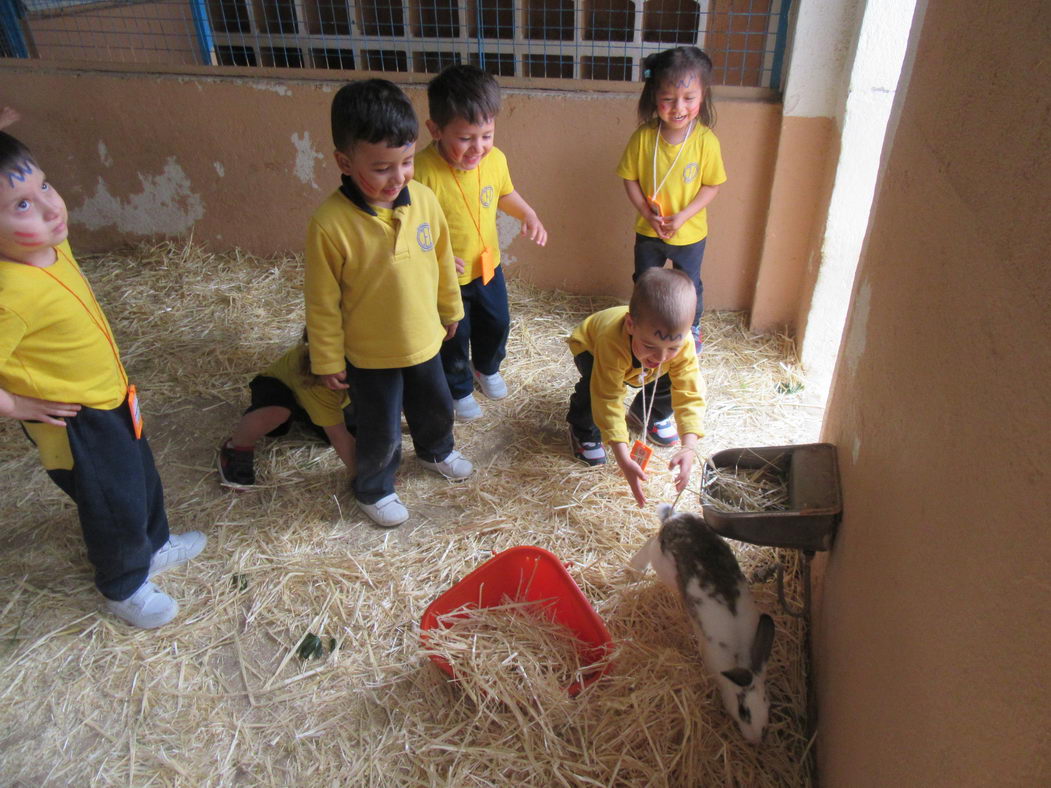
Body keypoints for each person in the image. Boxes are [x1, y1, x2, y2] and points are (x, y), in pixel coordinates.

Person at [0, 132, 205, 628]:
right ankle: (123, 585)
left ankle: (155, 544)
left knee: (140, 477)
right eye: (22, 203)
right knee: (112, 503)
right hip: (76, 421)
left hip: (111, 397)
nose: (50, 208)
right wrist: (14, 406)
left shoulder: (51, 246)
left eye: (45, 186)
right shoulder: (8, 295)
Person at [304, 79, 472, 528]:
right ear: (344, 161)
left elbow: (442, 261)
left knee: (435, 403)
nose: (398, 177)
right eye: (381, 168)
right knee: (379, 425)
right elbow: (321, 301)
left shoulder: (426, 201)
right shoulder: (329, 225)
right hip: (370, 353)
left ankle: (437, 451)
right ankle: (374, 487)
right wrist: (326, 358)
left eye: (407, 162)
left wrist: (450, 310)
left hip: (425, 339)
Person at [413, 64, 547, 421]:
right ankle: (457, 388)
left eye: (486, 135)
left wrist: (528, 214)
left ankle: (486, 368)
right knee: (455, 336)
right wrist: (432, 258)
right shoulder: (421, 171)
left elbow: (505, 193)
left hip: (487, 267)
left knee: (497, 321)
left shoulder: (495, 159)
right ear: (435, 130)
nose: (478, 148)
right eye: (465, 138)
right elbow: (411, 227)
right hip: (447, 278)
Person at [617, 46, 727, 354]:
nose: (678, 107)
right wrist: (646, 213)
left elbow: (711, 186)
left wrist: (683, 216)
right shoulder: (642, 138)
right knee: (644, 283)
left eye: (689, 98)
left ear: (703, 95)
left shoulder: (706, 142)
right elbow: (629, 178)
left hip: (689, 234)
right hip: (649, 231)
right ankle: (640, 330)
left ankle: (690, 329)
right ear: (654, 96)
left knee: (689, 285)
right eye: (668, 99)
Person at [566, 268, 706, 507]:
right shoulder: (612, 341)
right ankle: (583, 430)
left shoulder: (681, 345)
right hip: (590, 348)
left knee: (671, 375)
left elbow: (689, 391)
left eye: (672, 347)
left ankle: (648, 414)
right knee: (594, 386)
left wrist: (689, 446)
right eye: (650, 345)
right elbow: (607, 398)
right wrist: (622, 456)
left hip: (637, 364)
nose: (661, 357)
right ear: (630, 324)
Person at [217, 335, 356, 487]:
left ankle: (312, 415)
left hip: (330, 398)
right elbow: (338, 436)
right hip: (280, 386)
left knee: (357, 433)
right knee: (277, 412)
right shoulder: (317, 376)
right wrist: (364, 480)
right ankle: (237, 446)